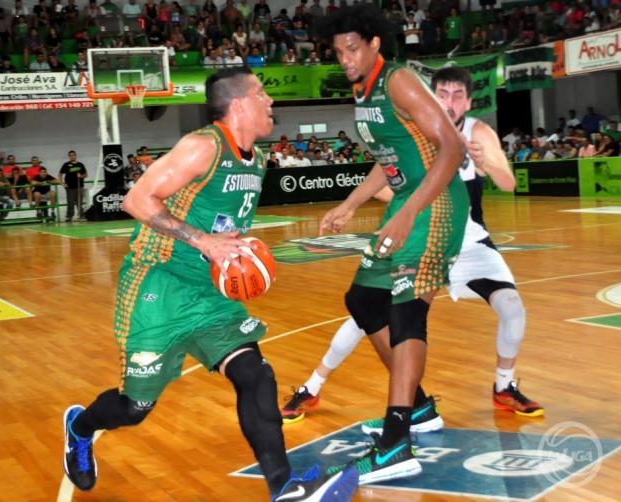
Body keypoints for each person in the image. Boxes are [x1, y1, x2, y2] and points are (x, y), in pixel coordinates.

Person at [61, 66, 358, 502]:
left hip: (208, 294)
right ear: (239, 105)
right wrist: (204, 242)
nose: (270, 101)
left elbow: (223, 225)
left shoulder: (255, 159)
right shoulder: (203, 146)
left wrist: (241, 254)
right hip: (158, 284)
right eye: (262, 94)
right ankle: (81, 426)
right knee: (135, 408)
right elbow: (136, 199)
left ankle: (285, 488)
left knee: (256, 375)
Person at [282, 66, 544, 430]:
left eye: (457, 95)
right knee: (366, 313)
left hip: (468, 244)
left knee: (513, 308)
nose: (448, 102)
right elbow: (386, 177)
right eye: (442, 93)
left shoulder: (478, 132)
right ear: (429, 95)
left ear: (468, 101)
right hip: (425, 238)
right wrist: (367, 204)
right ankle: (313, 385)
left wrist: (484, 162)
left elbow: (509, 182)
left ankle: (504, 385)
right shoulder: (416, 129)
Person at [307, 4, 468, 485]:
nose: (345, 58)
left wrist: (408, 211)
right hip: (406, 202)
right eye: (338, 51)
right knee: (362, 299)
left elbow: (452, 148)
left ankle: (396, 442)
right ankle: (417, 407)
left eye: (352, 48)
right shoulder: (363, 89)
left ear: (375, 43)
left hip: (433, 205)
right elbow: (388, 155)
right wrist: (351, 204)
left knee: (406, 310)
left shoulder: (396, 79)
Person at [59, 150, 87, 221]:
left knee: (79, 202)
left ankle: (81, 215)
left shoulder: (80, 165)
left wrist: (81, 176)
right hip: (69, 187)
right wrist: (62, 183)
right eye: (70, 155)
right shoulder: (66, 165)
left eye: (73, 155)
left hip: (79, 186)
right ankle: (69, 216)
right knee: (70, 202)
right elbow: (60, 174)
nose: (72, 156)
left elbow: (86, 174)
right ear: (69, 156)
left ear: (75, 155)